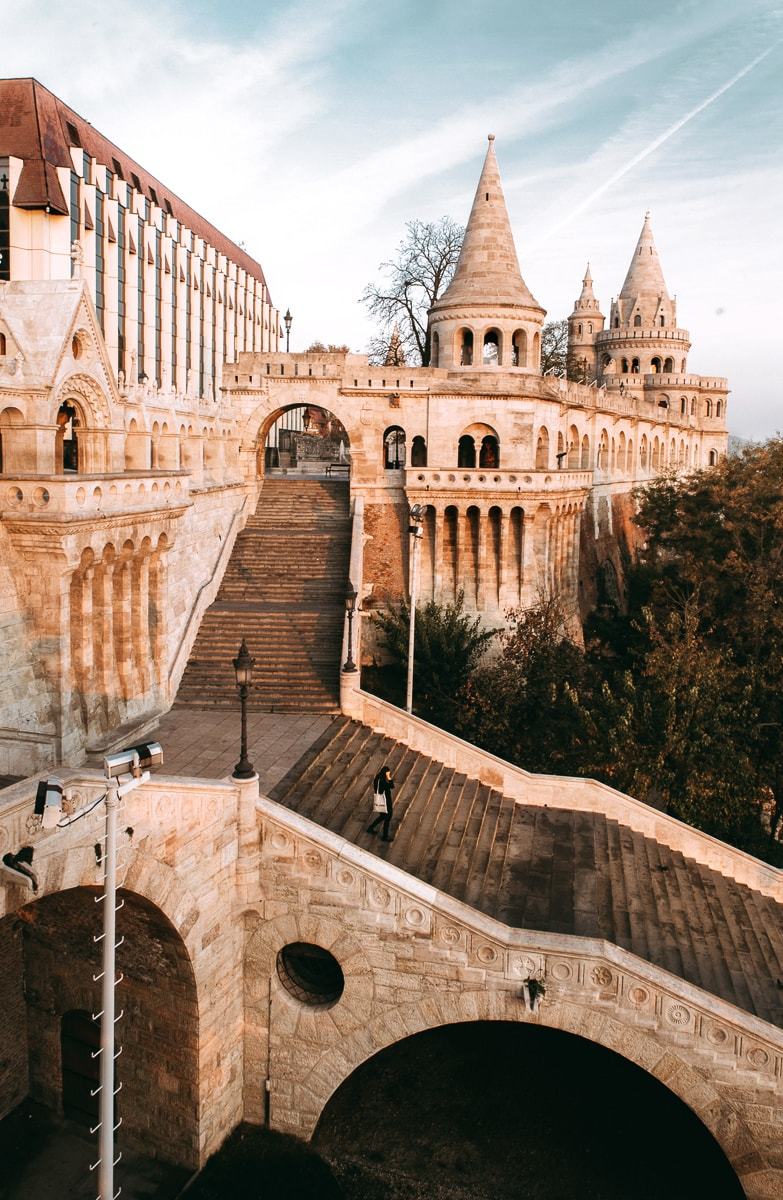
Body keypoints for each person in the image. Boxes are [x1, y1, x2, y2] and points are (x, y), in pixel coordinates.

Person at [367, 765, 395, 842]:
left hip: (380, 801)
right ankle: (385, 836)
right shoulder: (384, 781)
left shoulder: (377, 778)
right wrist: (389, 778)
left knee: (383, 816)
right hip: (385, 801)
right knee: (388, 817)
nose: (389, 775)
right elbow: (392, 786)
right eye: (388, 773)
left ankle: (371, 827)